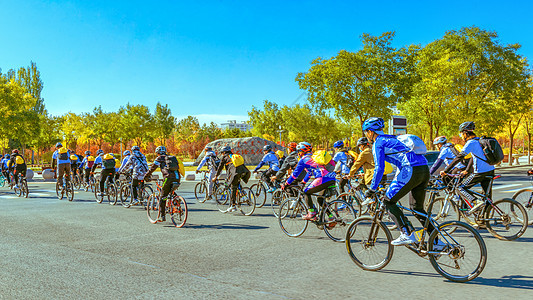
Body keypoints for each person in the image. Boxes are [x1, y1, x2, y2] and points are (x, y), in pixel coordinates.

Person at [362, 117, 436, 246]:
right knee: (417, 208)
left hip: (411, 169)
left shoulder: (378, 142)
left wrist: (372, 189)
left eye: (366, 132)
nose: (366, 135)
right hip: (424, 169)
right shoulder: (392, 138)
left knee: (388, 201)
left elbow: (379, 168)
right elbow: (401, 161)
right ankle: (436, 240)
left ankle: (406, 233)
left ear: (370, 132)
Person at [441, 122, 496, 212]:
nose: (461, 136)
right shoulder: (479, 141)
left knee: (460, 188)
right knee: (487, 197)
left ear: (465, 133)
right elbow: (474, 157)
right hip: (491, 170)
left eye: (461, 133)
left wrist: (446, 171)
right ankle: (484, 220)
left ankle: (475, 201)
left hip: (480, 172)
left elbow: (459, 157)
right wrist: (467, 170)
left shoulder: (470, 143)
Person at [281, 142, 337, 221]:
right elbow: (310, 173)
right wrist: (303, 182)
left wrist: (286, 183)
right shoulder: (315, 157)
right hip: (332, 178)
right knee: (320, 199)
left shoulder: (304, 159)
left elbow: (295, 174)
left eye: (299, 151)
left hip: (322, 178)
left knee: (306, 192)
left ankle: (312, 213)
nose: (298, 154)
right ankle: (331, 217)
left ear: (302, 151)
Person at [143, 146, 181, 222]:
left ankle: (162, 216)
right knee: (170, 191)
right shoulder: (171, 158)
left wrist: (146, 176)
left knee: (162, 197)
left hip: (168, 178)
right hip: (177, 177)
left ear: (158, 153)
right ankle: (176, 201)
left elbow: (153, 168)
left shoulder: (160, 158)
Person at [213, 146, 251, 213]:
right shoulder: (234, 156)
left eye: (222, 152)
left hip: (236, 173)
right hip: (245, 172)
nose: (222, 154)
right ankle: (243, 194)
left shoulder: (225, 157)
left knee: (233, 187)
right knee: (236, 183)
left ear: (224, 152)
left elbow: (220, 167)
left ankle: (233, 206)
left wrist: (216, 176)